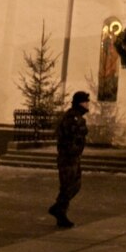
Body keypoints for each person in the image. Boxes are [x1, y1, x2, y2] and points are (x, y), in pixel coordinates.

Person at [48, 90, 90, 228]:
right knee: (68, 186)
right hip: (68, 158)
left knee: (74, 185)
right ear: (79, 103)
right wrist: (71, 152)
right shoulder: (72, 117)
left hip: (73, 157)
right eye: (85, 102)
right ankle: (60, 213)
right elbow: (68, 137)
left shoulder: (77, 117)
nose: (87, 104)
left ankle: (58, 208)